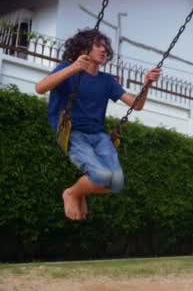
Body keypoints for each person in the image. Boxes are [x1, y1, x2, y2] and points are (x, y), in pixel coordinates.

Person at [35, 29, 160, 220]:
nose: (104, 50)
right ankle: (71, 193)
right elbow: (40, 88)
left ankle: (80, 191)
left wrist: (147, 84)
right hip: (73, 133)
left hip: (99, 136)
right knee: (101, 176)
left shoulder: (107, 81)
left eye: (105, 46)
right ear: (83, 47)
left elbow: (137, 105)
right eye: (98, 45)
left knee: (116, 183)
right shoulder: (67, 68)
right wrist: (74, 68)